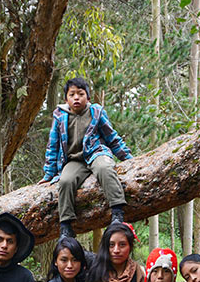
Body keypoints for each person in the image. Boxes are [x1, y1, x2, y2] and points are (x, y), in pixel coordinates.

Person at [39, 76, 134, 238]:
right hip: (74, 160)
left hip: (96, 153)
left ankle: (117, 211)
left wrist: (128, 158)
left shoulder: (95, 112)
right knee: (65, 181)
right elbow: (52, 146)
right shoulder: (60, 117)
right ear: (66, 99)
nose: (76, 97)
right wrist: (49, 174)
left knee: (105, 168)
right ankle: (66, 225)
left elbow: (112, 137)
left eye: (81, 94)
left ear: (88, 97)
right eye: (72, 94)